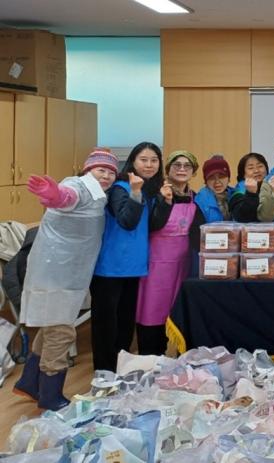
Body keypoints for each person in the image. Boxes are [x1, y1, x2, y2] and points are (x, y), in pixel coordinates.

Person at [14, 150, 118, 410]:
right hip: (56, 274)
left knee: (52, 326)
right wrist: (55, 195)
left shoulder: (98, 193)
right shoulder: (79, 185)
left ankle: (29, 382)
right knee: (61, 331)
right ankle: (51, 395)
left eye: (110, 172)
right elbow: (68, 197)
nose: (106, 176)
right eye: (100, 170)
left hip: (67, 272)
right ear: (87, 170)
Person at [91, 141, 164, 372]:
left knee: (124, 326)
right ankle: (104, 375)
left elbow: (152, 226)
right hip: (109, 268)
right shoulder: (121, 188)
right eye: (144, 160)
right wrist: (135, 192)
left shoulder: (148, 190)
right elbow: (127, 221)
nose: (149, 165)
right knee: (106, 328)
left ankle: (120, 374)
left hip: (134, 267)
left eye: (154, 160)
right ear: (132, 161)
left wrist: (166, 202)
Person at [136, 150, 205, 356]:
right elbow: (152, 224)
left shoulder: (194, 199)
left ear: (193, 172)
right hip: (156, 265)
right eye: (177, 165)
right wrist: (165, 203)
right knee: (152, 312)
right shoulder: (155, 194)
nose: (182, 169)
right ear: (168, 170)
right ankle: (150, 359)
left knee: (177, 313)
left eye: (187, 166)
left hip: (182, 266)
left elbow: (200, 235)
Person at [229, 152, 269, 223]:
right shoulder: (238, 192)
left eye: (260, 166)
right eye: (251, 168)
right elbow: (242, 217)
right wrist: (251, 194)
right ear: (243, 174)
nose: (256, 171)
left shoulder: (273, 187)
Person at [195, 154, 234, 223]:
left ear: (228, 178)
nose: (217, 182)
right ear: (206, 181)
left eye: (221, 176)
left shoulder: (235, 194)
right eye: (212, 178)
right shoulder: (200, 199)